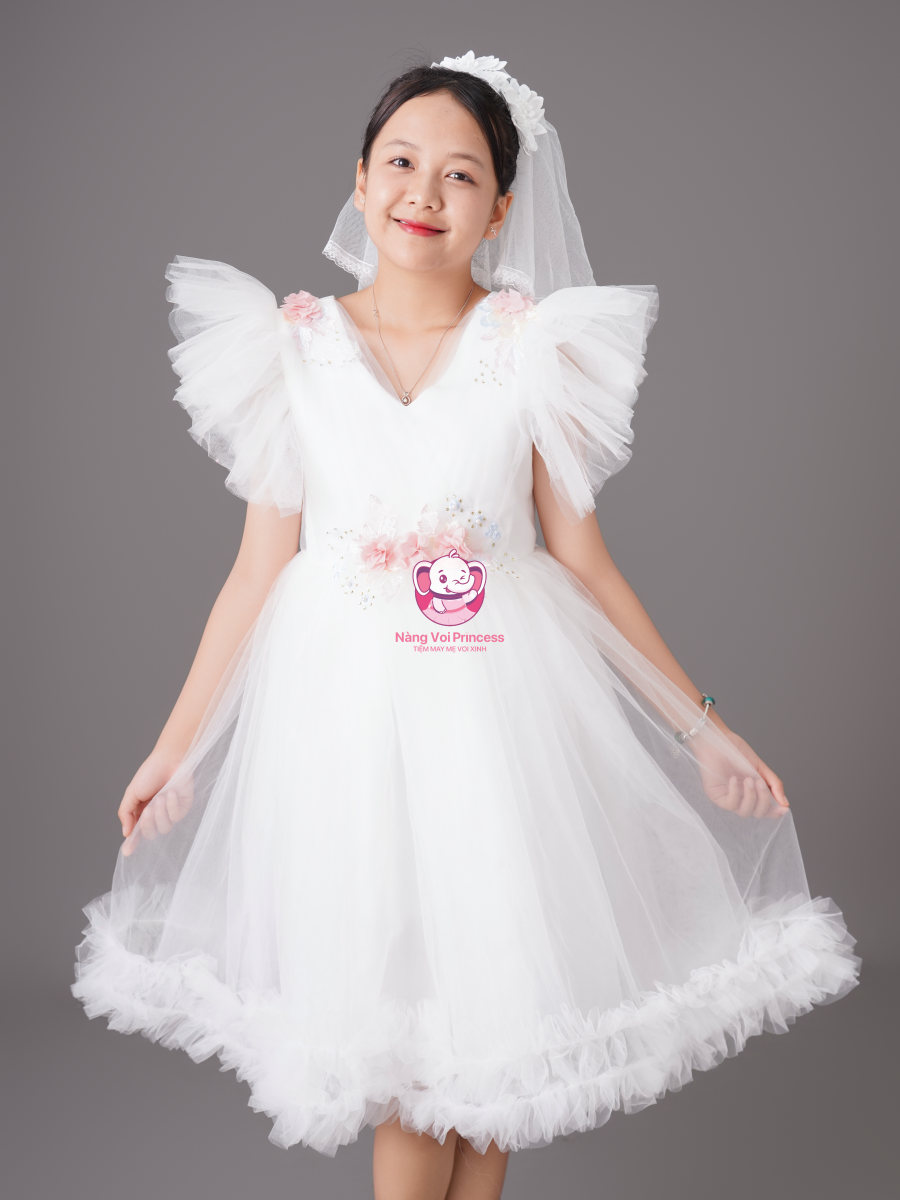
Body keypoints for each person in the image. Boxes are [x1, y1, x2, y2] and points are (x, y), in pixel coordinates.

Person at [71, 51, 861, 1200]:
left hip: (495, 717)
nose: (423, 193)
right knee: (407, 1042)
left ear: (499, 209)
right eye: (400, 162)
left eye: (459, 175)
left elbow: (583, 561)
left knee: (494, 1032)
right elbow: (254, 572)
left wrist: (703, 727)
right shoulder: (291, 348)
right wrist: (174, 748)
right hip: (343, 726)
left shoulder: (532, 348)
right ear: (358, 180)